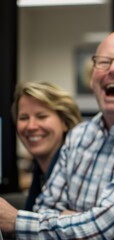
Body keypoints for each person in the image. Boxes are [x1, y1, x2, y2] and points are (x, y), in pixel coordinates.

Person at [0, 30, 114, 239]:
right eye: (103, 62)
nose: (113, 69)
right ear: (92, 77)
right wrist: (89, 223)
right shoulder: (79, 135)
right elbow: (45, 207)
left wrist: (16, 221)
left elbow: (102, 230)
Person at [11, 81, 82, 211]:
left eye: (42, 116)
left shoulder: (78, 172)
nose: (31, 126)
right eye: (23, 117)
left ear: (65, 123)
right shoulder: (40, 173)